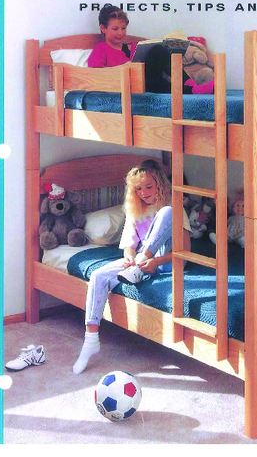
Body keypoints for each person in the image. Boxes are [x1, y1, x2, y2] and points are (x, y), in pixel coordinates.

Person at [72, 159, 192, 374]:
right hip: (138, 263)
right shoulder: (135, 210)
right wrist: (129, 258)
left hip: (167, 262)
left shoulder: (174, 207)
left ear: (159, 184)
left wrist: (154, 262)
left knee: (167, 211)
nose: (143, 193)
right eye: (138, 189)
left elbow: (185, 252)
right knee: (98, 276)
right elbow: (129, 246)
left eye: (148, 187)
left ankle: (138, 266)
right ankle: (90, 339)